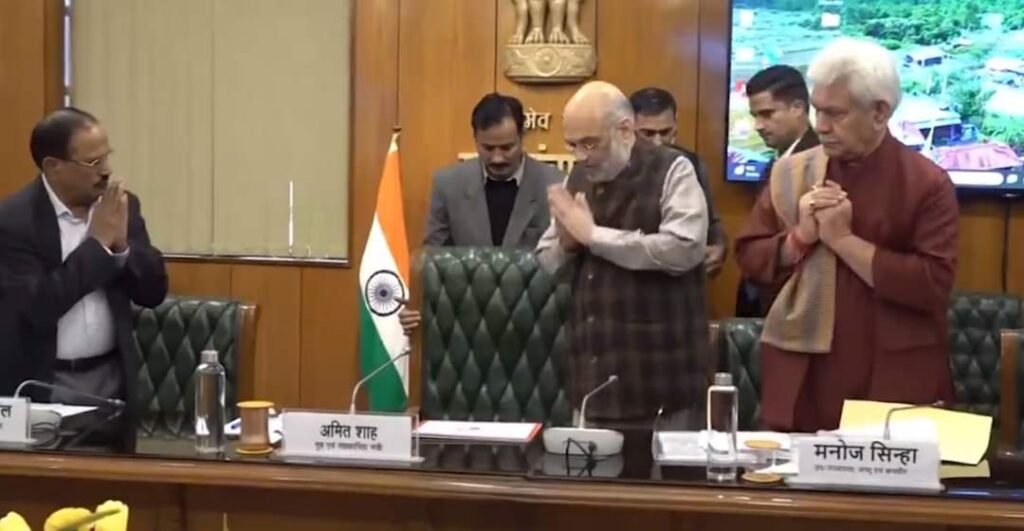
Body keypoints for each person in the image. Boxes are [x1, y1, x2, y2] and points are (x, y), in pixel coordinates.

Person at [734, 39, 957, 432]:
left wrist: (843, 241)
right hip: (805, 373)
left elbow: (931, 285)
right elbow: (750, 257)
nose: (820, 125)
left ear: (879, 113)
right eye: (817, 110)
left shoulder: (926, 183)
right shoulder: (792, 173)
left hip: (892, 375)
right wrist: (800, 238)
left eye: (835, 113)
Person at [536, 81, 711, 429]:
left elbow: (685, 248)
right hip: (592, 381)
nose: (580, 156)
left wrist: (594, 236)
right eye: (572, 145)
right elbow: (545, 260)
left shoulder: (673, 168)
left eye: (590, 144)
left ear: (625, 130)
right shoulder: (578, 177)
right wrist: (568, 244)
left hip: (662, 382)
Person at [0, 108, 168, 448]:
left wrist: (122, 246)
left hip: (112, 379)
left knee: (115, 478)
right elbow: (38, 307)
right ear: (53, 167)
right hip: (45, 382)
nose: (106, 171)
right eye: (93, 162)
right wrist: (98, 247)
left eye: (107, 157)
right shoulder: (13, 222)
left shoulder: (121, 206)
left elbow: (153, 292)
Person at [401, 93, 563, 333]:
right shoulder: (448, 185)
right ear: (475, 139)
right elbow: (433, 260)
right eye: (487, 148)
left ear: (522, 136)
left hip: (535, 326)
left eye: (507, 147)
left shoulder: (556, 186)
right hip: (465, 326)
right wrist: (417, 305)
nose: (497, 157)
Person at [734, 65, 819, 318]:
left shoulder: (816, 164)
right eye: (755, 116)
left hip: (795, 307)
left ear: (798, 108)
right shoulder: (780, 160)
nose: (758, 126)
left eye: (767, 114)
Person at [629, 87, 728, 279]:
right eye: (647, 133)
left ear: (676, 123)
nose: (658, 142)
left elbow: (711, 221)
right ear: (629, 128)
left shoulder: (693, 164)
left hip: (681, 282)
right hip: (631, 278)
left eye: (665, 132)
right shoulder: (614, 167)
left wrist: (719, 247)